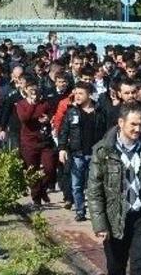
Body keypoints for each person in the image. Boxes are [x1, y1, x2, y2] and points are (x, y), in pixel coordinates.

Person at [88, 102, 141, 275]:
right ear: (121, 122)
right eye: (133, 124)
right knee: (116, 268)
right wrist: (100, 224)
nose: (138, 129)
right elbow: (94, 191)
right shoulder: (103, 151)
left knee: (140, 267)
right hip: (114, 218)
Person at [58, 82, 106, 221]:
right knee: (76, 185)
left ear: (89, 94)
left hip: (95, 154)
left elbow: (106, 132)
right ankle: (80, 211)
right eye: (76, 93)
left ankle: (96, 211)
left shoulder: (99, 111)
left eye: (81, 93)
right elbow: (64, 131)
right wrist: (62, 148)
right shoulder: (71, 111)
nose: (77, 96)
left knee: (94, 185)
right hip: (77, 153)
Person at [16, 77, 56, 208]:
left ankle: (42, 189)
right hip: (29, 142)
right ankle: (36, 198)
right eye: (30, 89)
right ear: (25, 90)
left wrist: (48, 118)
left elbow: (52, 114)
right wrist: (32, 104)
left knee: (49, 168)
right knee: (32, 171)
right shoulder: (21, 104)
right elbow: (24, 118)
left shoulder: (45, 103)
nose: (34, 91)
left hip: (44, 141)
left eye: (35, 88)